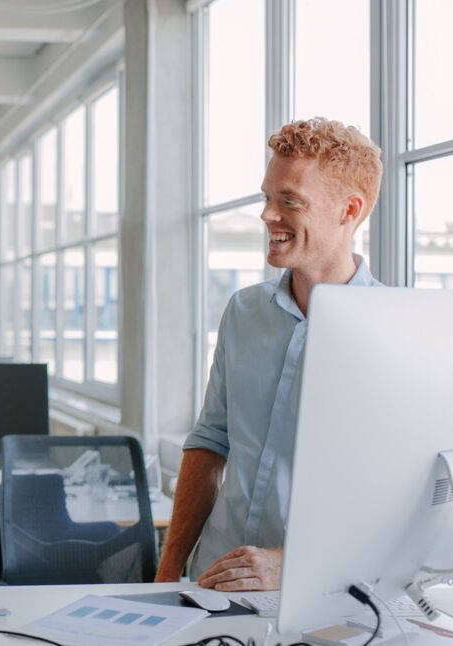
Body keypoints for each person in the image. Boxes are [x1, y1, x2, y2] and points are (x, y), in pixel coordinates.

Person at [155, 118, 383, 591]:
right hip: (213, 581)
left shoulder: (390, 333)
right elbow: (210, 441)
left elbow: (401, 499)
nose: (267, 215)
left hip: (319, 592)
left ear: (349, 211)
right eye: (267, 197)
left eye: (289, 201)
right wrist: (167, 567)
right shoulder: (244, 311)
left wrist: (292, 563)